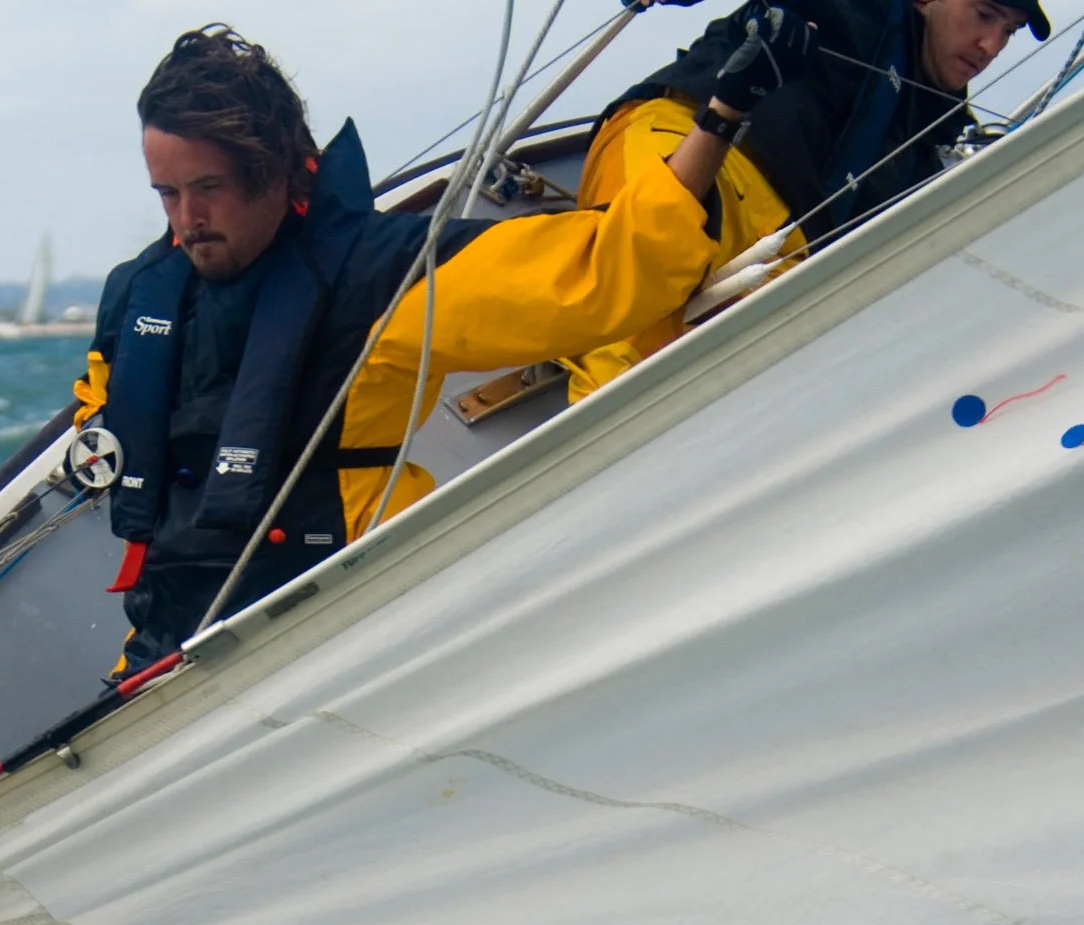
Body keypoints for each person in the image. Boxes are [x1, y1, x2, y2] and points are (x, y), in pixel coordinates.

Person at [75, 25, 732, 679]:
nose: (186, 217)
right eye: (167, 193)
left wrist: (721, 118)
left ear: (270, 171)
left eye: (207, 188)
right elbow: (99, 419)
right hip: (163, 653)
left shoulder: (384, 277)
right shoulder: (138, 296)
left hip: (352, 633)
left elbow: (600, 271)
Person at [565, 0, 1049, 401]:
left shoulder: (938, 135)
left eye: (1009, 32)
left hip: (783, 239)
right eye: (985, 15)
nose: (991, 47)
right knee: (631, 309)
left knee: (748, 391)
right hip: (697, 143)